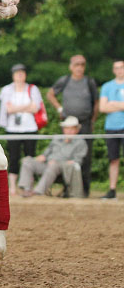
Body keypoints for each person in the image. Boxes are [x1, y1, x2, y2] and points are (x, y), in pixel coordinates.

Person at [46, 55, 99, 196]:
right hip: (69, 124)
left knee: (85, 158)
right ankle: (67, 189)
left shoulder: (89, 82)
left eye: (82, 65)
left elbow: (96, 103)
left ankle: (85, 190)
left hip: (84, 124)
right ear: (71, 67)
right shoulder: (65, 80)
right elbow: (50, 94)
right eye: (77, 65)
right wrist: (59, 108)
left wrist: (92, 121)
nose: (79, 68)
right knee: (65, 156)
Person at [0, 63, 43, 195]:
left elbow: (36, 108)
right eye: (17, 73)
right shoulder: (6, 90)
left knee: (30, 158)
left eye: (22, 73)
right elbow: (8, 109)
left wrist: (16, 108)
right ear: (13, 75)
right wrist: (26, 106)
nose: (19, 75)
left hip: (30, 127)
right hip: (13, 129)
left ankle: (28, 185)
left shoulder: (32, 89)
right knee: (13, 157)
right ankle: (12, 186)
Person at [17, 116, 87, 198]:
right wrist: (41, 157)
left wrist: (58, 163)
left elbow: (77, 161)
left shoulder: (81, 142)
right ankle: (27, 189)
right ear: (63, 129)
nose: (69, 131)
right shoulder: (57, 139)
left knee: (53, 165)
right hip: (47, 165)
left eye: (72, 128)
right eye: (67, 128)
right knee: (27, 161)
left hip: (63, 169)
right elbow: (45, 154)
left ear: (77, 130)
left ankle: (37, 191)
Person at [99, 59, 124, 199]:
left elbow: (108, 106)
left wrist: (113, 103)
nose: (119, 70)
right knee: (113, 159)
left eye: (122, 67)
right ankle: (112, 190)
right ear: (113, 70)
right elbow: (103, 108)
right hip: (111, 127)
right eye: (117, 68)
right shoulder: (107, 86)